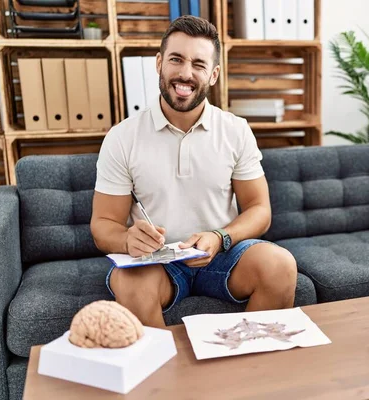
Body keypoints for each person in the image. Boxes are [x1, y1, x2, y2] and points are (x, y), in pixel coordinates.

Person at [90, 15, 297, 329]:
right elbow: (103, 225)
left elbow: (259, 210)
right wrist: (128, 239)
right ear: (159, 63)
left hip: (224, 254)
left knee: (280, 265)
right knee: (129, 282)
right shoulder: (122, 138)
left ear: (213, 75)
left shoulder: (236, 130)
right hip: (157, 261)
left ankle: (250, 372)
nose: (185, 73)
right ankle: (164, 378)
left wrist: (220, 237)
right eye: (176, 59)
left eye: (198, 64)